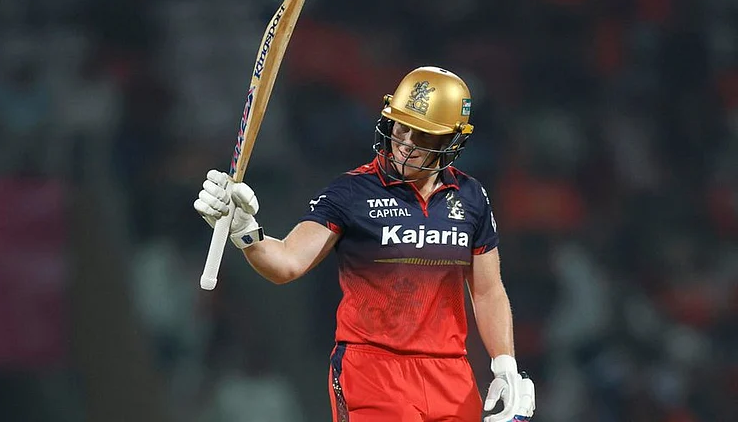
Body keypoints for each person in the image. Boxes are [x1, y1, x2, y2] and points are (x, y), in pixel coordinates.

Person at [194, 66, 535, 422]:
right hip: (372, 369)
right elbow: (287, 264)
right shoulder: (352, 192)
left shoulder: (471, 197)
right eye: (401, 127)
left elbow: (487, 290)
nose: (405, 144)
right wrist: (246, 231)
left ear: (451, 140)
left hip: (450, 373)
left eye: (422, 135)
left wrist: (505, 364)